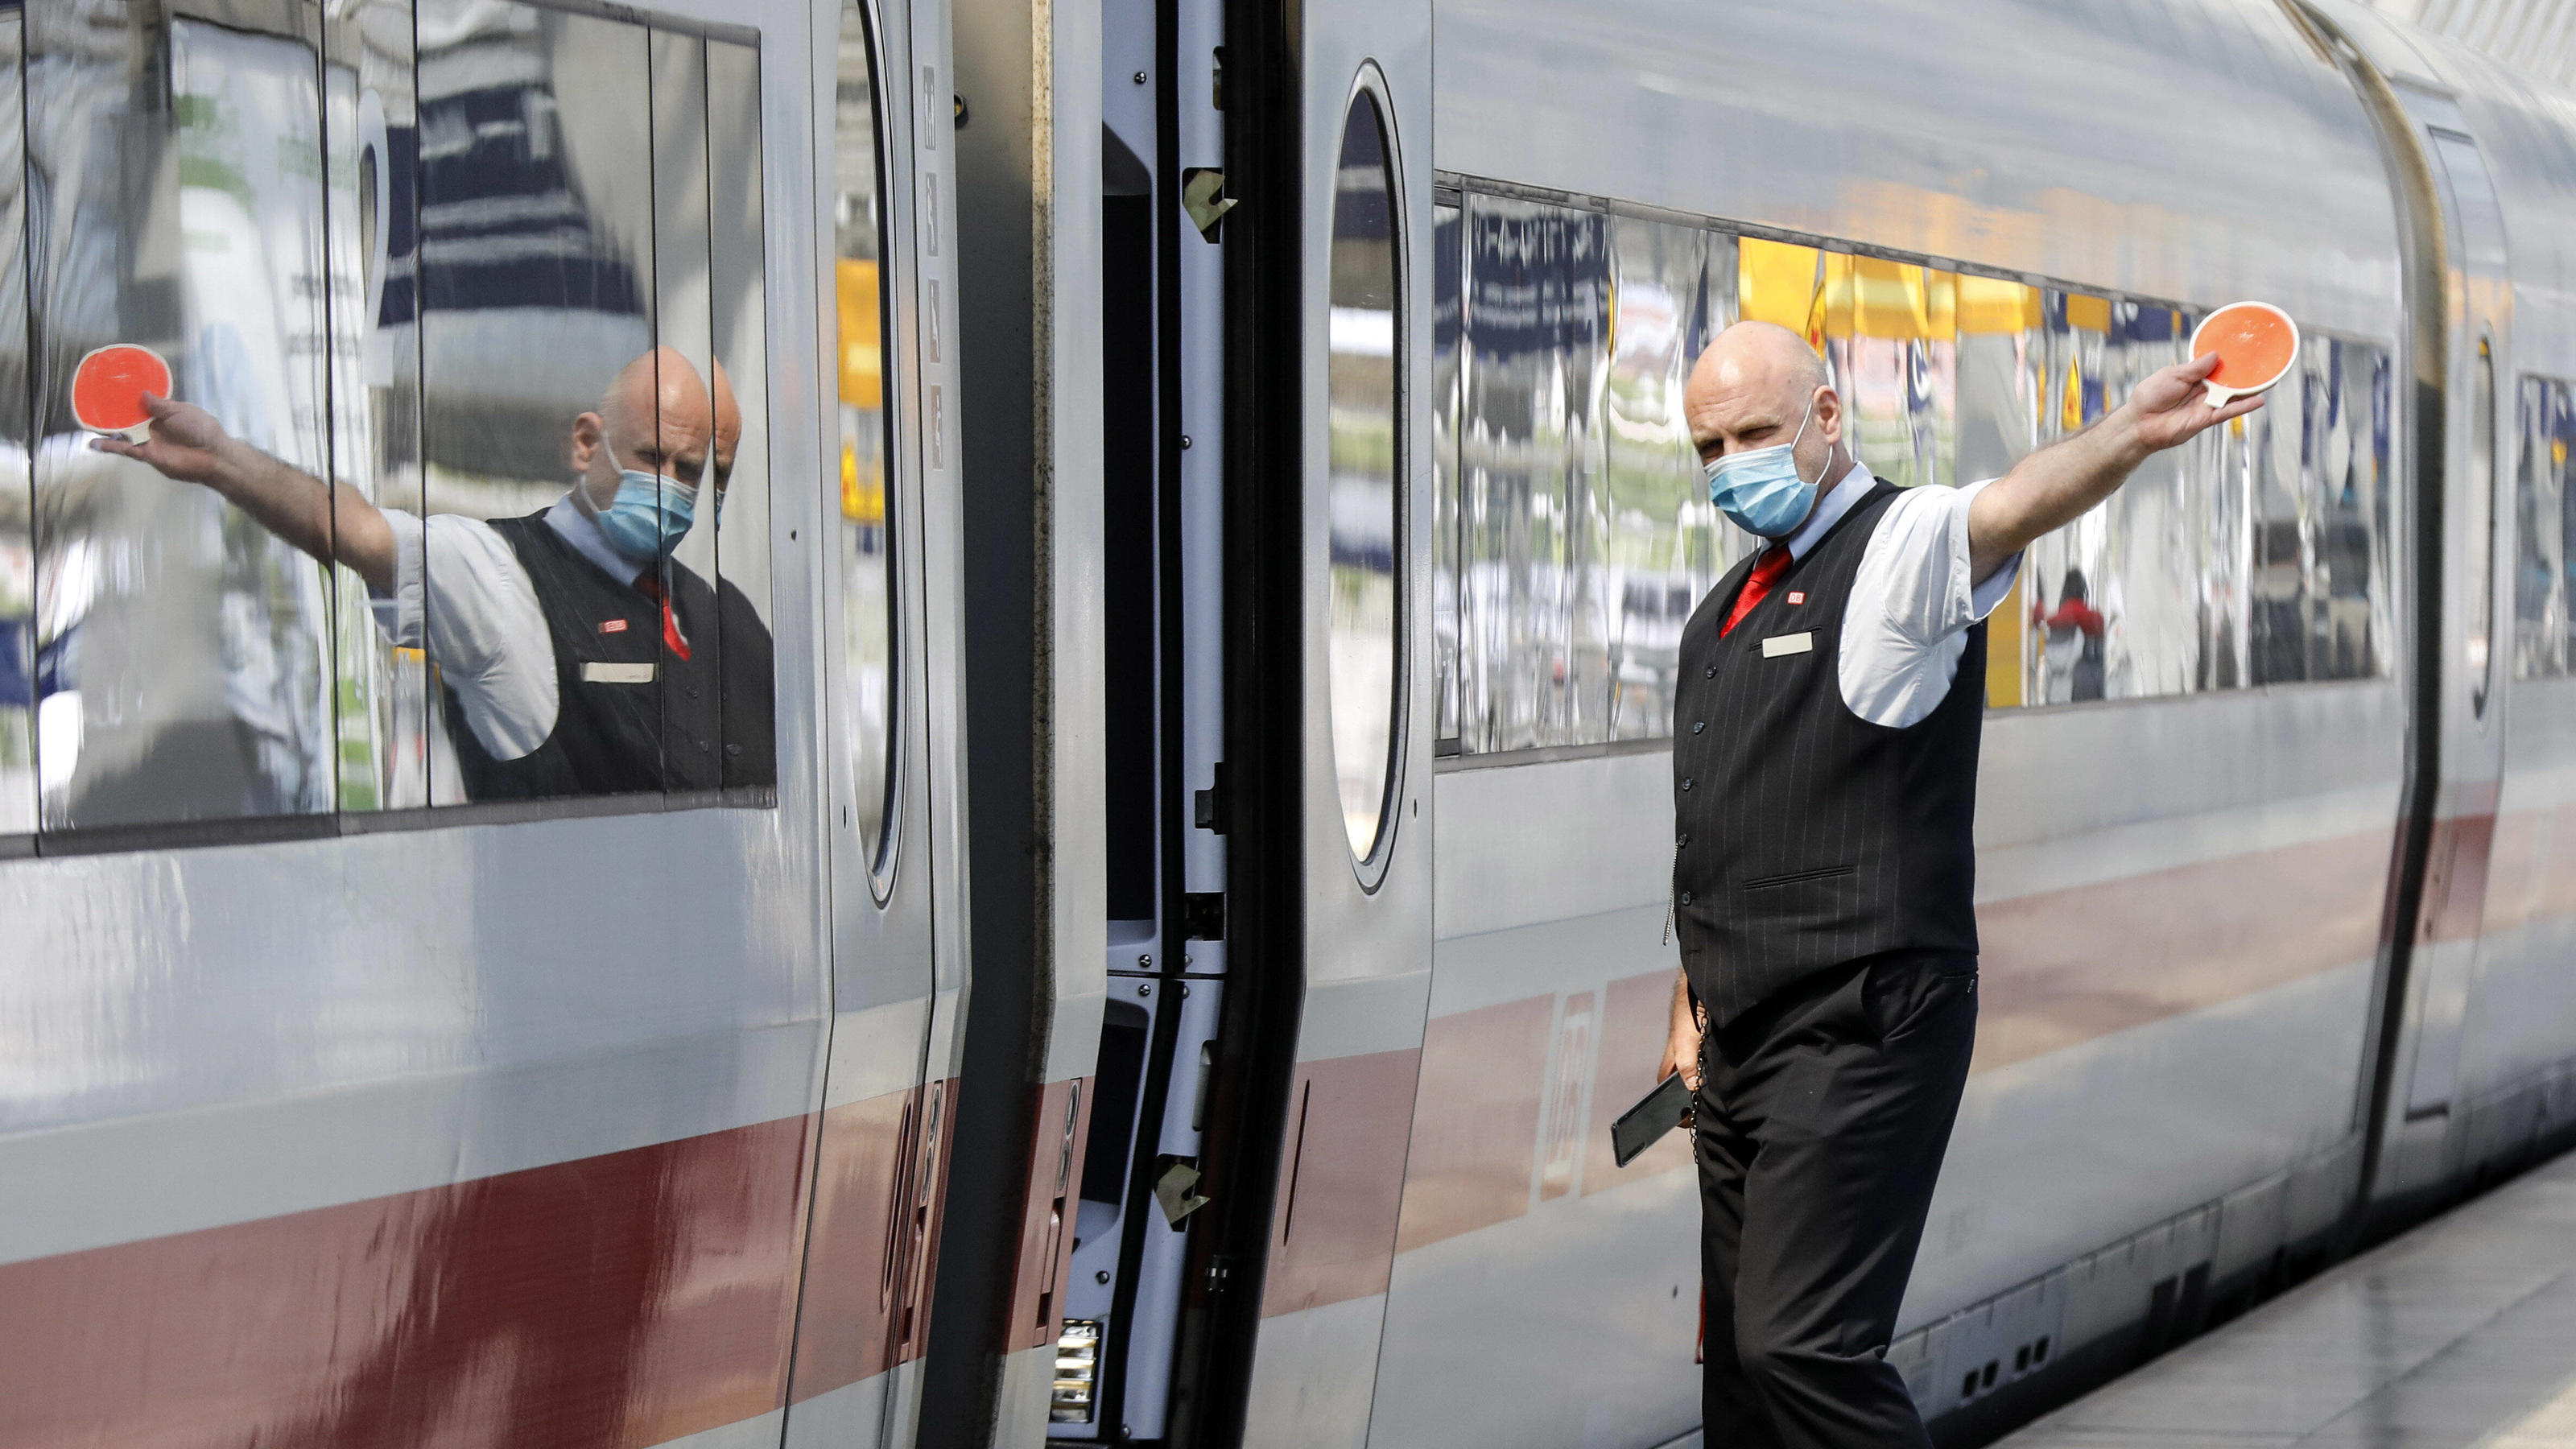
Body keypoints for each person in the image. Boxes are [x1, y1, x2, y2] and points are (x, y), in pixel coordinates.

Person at [1653, 320, 2259, 1447]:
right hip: (1742, 1037)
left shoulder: (1902, 548)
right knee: (1742, 1380)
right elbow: (1726, 819)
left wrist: (2130, 431)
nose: (1730, 464)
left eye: (1753, 433)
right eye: (1708, 447)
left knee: (1801, 1343)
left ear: (1828, 417)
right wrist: (1692, 992)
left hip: (1866, 1019)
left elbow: (2012, 502)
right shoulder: (1720, 616)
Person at [94, 347, 775, 800]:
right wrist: (219, 460)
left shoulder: (729, 622)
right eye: (655, 457)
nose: (677, 488)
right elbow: (355, 529)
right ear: (586, 443)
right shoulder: (503, 577)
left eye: (703, 474)